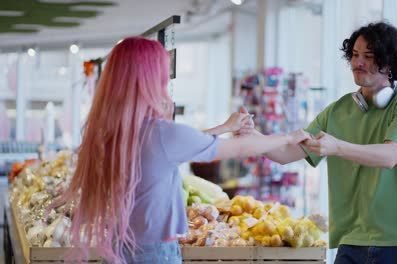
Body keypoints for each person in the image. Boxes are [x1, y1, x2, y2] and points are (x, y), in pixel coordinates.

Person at [50, 37, 311, 264]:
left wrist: (223, 127)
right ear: (151, 80)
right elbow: (240, 146)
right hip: (154, 253)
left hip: (118, 246)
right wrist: (288, 136)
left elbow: (175, 149)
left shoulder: (111, 133)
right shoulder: (162, 133)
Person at [241, 22, 397, 263]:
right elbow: (285, 153)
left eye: (368, 56)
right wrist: (252, 135)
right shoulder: (338, 111)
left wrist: (337, 147)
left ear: (389, 63)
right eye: (354, 55)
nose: (357, 63)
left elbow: (389, 155)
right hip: (351, 241)